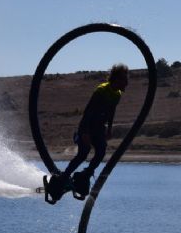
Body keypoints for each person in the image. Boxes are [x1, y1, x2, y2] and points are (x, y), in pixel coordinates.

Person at [45, 63, 128, 204]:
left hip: (100, 128)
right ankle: (64, 177)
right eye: (124, 80)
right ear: (116, 80)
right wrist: (84, 132)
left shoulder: (117, 95)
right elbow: (88, 112)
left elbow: (112, 112)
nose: (126, 83)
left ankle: (86, 174)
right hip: (87, 126)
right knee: (84, 152)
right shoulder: (102, 90)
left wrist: (109, 129)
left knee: (101, 151)